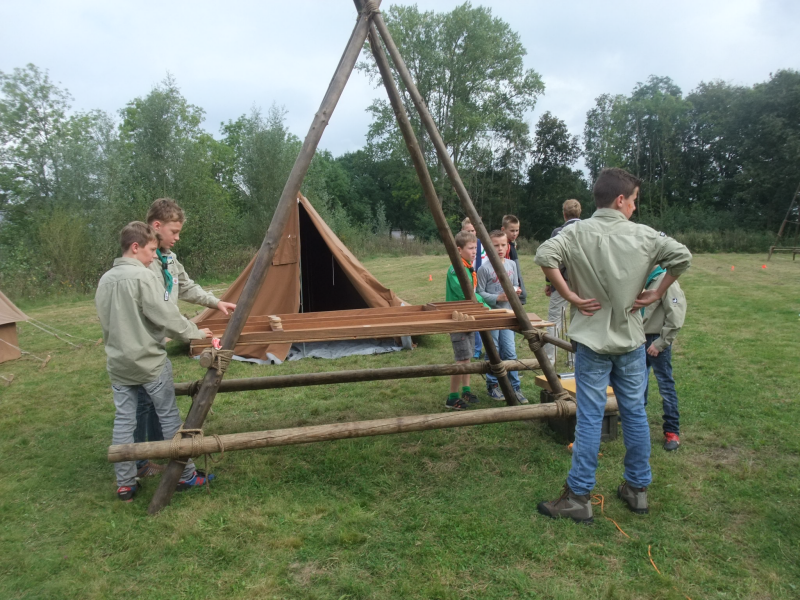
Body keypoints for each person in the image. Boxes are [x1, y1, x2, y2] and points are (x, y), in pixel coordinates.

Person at [534, 167, 692, 523]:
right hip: (632, 340)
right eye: (634, 200)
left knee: (590, 417)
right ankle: (637, 490)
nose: (635, 207)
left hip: (593, 341)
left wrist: (570, 294)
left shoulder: (576, 233)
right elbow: (682, 257)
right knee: (634, 413)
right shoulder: (645, 236)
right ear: (620, 199)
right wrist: (658, 291)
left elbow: (545, 256)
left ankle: (579, 497)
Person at [95, 222, 216, 502]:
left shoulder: (105, 280)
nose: (153, 257)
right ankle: (185, 476)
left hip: (119, 364)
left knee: (124, 421)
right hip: (150, 362)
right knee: (169, 418)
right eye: (150, 250)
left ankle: (125, 483)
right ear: (135, 247)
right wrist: (194, 332)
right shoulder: (143, 278)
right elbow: (165, 316)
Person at [134, 198, 237, 479]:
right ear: (157, 226)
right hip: (143, 343)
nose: (178, 238)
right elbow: (158, 308)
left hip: (154, 341)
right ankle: (145, 462)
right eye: (174, 231)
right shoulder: (143, 263)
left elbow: (186, 286)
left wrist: (217, 303)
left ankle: (153, 455)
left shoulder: (168, 257)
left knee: (150, 401)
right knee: (146, 403)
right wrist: (191, 331)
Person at [477, 230, 528, 404]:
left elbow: (514, 285)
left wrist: (516, 291)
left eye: (503, 245)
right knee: (494, 350)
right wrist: (496, 297)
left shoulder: (511, 265)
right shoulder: (484, 269)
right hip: (492, 316)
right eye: (495, 245)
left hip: (508, 315)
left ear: (508, 246)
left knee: (510, 351)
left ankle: (515, 387)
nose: (500, 249)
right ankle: (493, 385)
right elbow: (479, 293)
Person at [642, 265, 687, 451]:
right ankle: (636, 421)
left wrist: (661, 343)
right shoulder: (643, 277)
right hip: (637, 338)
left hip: (655, 340)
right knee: (636, 382)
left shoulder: (665, 280)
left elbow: (676, 315)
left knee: (665, 385)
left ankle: (672, 431)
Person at [445, 230, 489, 409]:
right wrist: (485, 305)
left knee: (468, 356)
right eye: (470, 248)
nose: (474, 252)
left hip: (468, 316)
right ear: (458, 249)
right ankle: (452, 397)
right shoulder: (456, 269)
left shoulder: (468, 266)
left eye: (475, 249)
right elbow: (468, 293)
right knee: (461, 359)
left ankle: (466, 389)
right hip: (458, 319)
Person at [544, 199, 582, 366]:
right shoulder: (589, 230)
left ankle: (549, 359)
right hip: (583, 282)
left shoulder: (559, 232)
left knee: (555, 320)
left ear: (564, 214)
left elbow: (552, 260)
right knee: (578, 319)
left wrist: (549, 282)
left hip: (563, 281)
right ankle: (574, 359)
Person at [461, 217, 487, 359]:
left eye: (473, 231)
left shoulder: (481, 246)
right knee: (472, 315)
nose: (471, 233)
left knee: (480, 315)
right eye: (468, 231)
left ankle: (482, 346)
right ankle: (476, 348)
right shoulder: (461, 249)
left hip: (481, 282)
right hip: (470, 283)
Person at [501, 215, 527, 306]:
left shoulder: (511, 244)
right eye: (512, 231)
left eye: (517, 230)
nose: (515, 233)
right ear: (503, 229)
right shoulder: (505, 247)